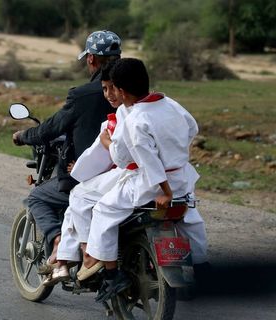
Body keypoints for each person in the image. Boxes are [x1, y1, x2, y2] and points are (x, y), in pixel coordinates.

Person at [55, 58, 209, 299]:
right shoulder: (170, 104)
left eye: (113, 88)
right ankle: (201, 264)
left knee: (104, 210)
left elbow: (138, 160)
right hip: (182, 176)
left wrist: (164, 191)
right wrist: (174, 151)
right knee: (191, 218)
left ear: (122, 91)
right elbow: (192, 128)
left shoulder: (135, 120)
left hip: (151, 184)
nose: (111, 93)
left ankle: (111, 274)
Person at [12, 30, 122, 277]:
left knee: (37, 197)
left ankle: (60, 244)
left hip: (93, 176)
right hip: (136, 174)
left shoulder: (84, 95)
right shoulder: (134, 92)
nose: (109, 94)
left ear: (91, 59)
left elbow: (52, 127)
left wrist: (23, 136)